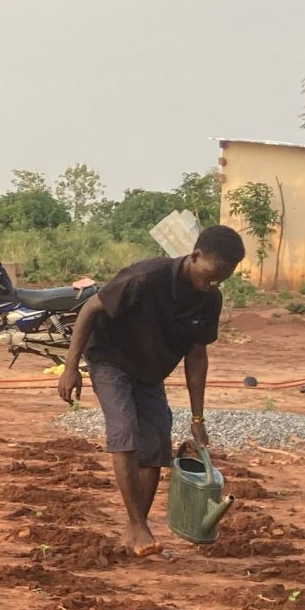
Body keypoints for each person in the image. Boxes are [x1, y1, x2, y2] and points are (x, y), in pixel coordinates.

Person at [56, 224, 246, 558]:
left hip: (149, 372)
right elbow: (89, 309)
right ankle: (139, 527)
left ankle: (135, 531)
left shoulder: (209, 300)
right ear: (195, 256)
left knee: (156, 443)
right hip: (110, 359)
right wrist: (70, 367)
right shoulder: (146, 277)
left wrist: (198, 417)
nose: (213, 284)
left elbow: (197, 356)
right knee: (125, 431)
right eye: (210, 275)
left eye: (221, 279)